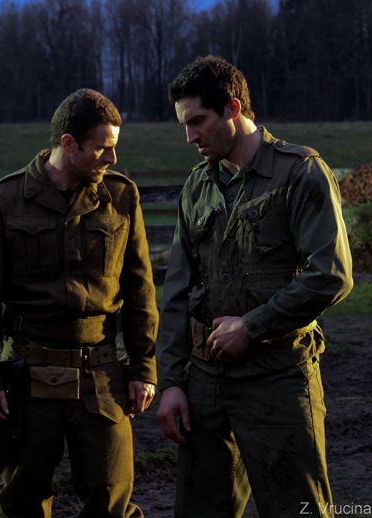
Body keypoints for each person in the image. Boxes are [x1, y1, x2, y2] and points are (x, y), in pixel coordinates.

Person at [156, 55, 354, 517]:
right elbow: (177, 293)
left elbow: (331, 275)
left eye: (197, 121)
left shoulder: (299, 172)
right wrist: (172, 383)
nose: (190, 137)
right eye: (184, 125)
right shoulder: (198, 186)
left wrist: (251, 326)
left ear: (232, 108)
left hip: (277, 380)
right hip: (205, 385)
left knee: (298, 509)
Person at [0, 88, 158, 516]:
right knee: (20, 501)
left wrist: (144, 367)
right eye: (103, 148)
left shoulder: (121, 197)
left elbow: (140, 289)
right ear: (69, 144)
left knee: (111, 499)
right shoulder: (6, 200)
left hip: (101, 376)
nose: (113, 159)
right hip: (29, 377)